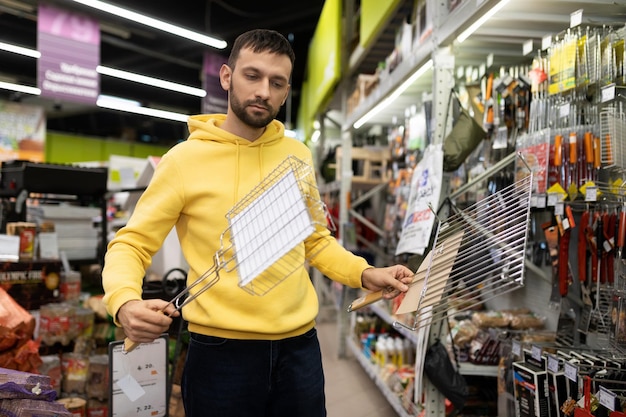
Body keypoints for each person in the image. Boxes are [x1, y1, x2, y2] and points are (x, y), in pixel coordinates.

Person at [101, 28, 414, 417]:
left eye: (277, 82)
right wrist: (125, 302)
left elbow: (315, 241)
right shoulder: (184, 160)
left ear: (285, 92)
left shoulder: (296, 155)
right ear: (228, 77)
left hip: (299, 349)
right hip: (220, 356)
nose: (264, 90)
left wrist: (365, 274)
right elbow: (132, 244)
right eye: (253, 76)